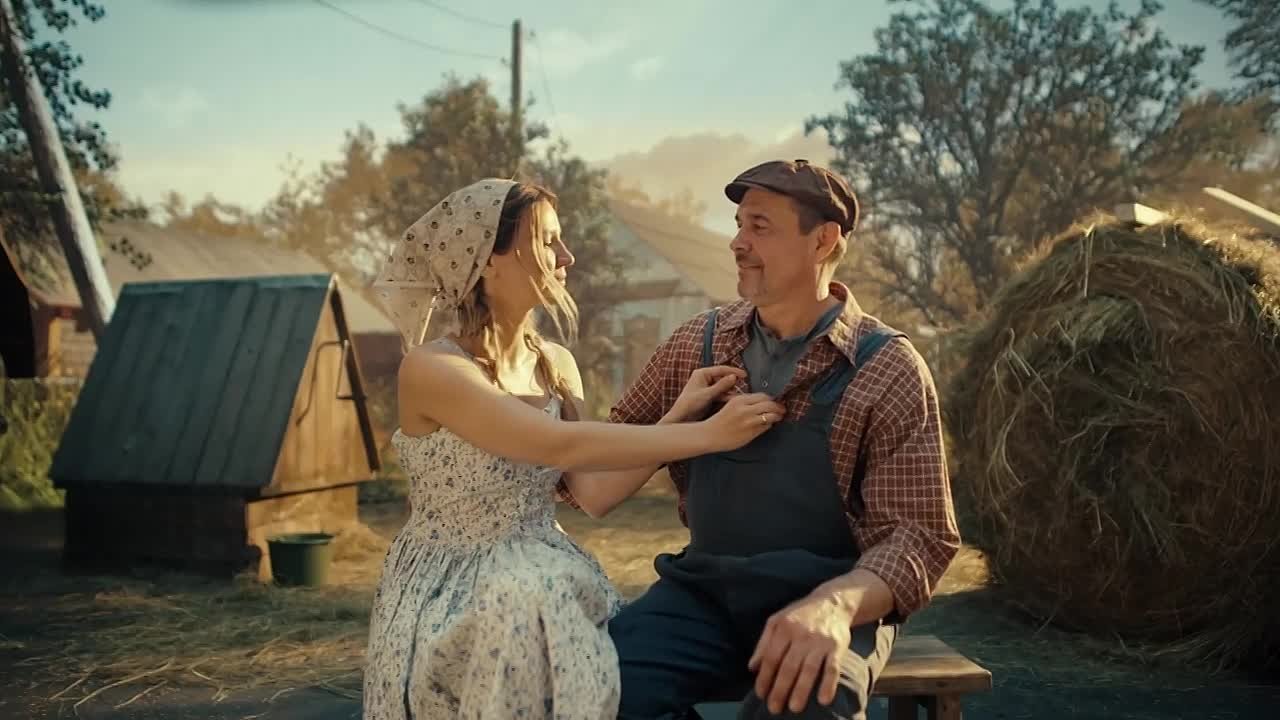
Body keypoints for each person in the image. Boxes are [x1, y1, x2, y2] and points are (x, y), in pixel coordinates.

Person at [361, 177, 786, 720]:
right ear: (487, 260)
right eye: (547, 241)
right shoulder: (432, 368)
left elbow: (594, 493)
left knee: (585, 642)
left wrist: (681, 415)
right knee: (530, 609)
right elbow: (554, 442)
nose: (567, 256)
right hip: (457, 582)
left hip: (545, 573)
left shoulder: (555, 364)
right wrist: (711, 434)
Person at [588, 160, 962, 719]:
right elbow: (603, 454)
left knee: (807, 708)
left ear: (823, 240)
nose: (738, 243)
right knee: (594, 689)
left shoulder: (886, 367)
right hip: (701, 596)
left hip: (830, 594)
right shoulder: (698, 342)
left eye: (760, 226)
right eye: (739, 225)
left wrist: (834, 607)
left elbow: (920, 536)